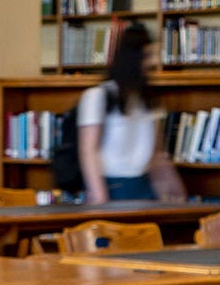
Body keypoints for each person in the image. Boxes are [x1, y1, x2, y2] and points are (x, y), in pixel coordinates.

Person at [79, 23, 184, 204]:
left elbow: (157, 154)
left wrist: (175, 190)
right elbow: (88, 150)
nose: (151, 63)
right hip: (111, 186)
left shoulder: (150, 102)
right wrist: (99, 196)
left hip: (143, 185)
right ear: (132, 59)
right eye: (147, 56)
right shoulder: (97, 97)